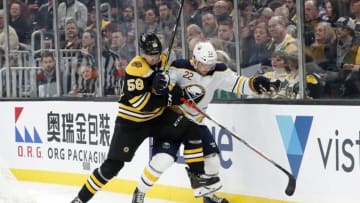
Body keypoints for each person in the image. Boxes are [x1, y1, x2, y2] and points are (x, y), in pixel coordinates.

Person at [70, 33, 220, 203]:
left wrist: (170, 88)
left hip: (157, 118)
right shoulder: (134, 69)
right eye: (150, 54)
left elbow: (169, 85)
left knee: (191, 127)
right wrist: (167, 95)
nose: (154, 58)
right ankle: (80, 199)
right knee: (112, 167)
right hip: (132, 123)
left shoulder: (163, 60)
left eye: (156, 54)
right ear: (142, 52)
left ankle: (197, 175)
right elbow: (143, 105)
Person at [131, 41, 279, 203]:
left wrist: (255, 83)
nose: (207, 68)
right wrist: (162, 84)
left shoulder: (219, 71)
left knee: (213, 162)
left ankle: (208, 197)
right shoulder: (179, 67)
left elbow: (238, 84)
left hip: (195, 123)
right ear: (195, 59)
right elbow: (165, 85)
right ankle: (140, 191)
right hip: (172, 122)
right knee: (163, 160)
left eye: (210, 64)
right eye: (204, 64)